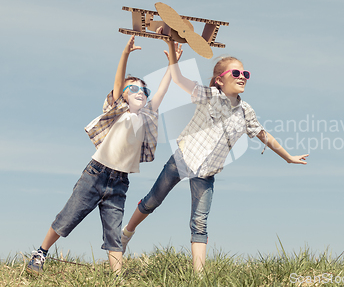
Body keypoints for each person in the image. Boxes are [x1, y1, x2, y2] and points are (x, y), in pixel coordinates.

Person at [121, 47, 309, 272]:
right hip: (182, 158)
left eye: (245, 74)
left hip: (207, 171)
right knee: (153, 200)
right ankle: (126, 235)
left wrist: (288, 157)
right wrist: (173, 57)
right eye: (236, 74)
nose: (242, 78)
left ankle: (198, 278)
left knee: (199, 223)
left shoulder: (245, 111)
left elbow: (263, 134)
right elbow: (179, 80)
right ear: (220, 80)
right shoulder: (209, 96)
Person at [27, 36, 183, 274]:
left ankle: (117, 278)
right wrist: (125, 54)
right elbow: (118, 82)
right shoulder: (117, 109)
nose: (140, 92)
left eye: (144, 89)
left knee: (114, 232)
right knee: (68, 217)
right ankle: (40, 253)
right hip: (96, 173)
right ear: (123, 95)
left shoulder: (147, 115)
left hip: (120, 182)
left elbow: (163, 89)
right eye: (133, 88)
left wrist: (173, 62)